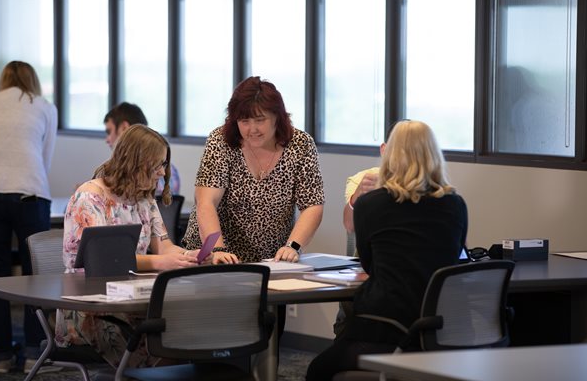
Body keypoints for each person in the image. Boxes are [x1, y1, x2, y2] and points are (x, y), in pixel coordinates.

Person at [306, 120, 468, 381]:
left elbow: (370, 265)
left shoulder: (371, 204)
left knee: (318, 370)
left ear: (390, 154)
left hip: (386, 330)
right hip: (441, 330)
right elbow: (455, 254)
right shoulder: (455, 203)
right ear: (434, 154)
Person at [181, 75, 325, 334]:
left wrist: (293, 246)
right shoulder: (221, 142)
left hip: (270, 261)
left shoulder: (300, 145)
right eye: (244, 121)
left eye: (260, 119)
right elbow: (205, 203)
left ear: (277, 117)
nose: (252, 129)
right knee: (217, 339)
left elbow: (312, 204)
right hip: (219, 255)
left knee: (267, 335)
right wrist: (218, 249)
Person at [56, 124, 206, 368]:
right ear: (134, 162)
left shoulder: (143, 196)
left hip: (131, 298)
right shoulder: (90, 198)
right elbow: (104, 263)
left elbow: (164, 247)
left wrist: (192, 256)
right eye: (157, 165)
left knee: (187, 335)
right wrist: (160, 262)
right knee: (165, 348)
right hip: (90, 306)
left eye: (164, 165)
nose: (161, 172)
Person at [0, 60, 58, 374]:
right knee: (36, 276)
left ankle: (0, 356)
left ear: (3, 80)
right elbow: (45, 158)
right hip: (31, 193)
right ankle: (33, 353)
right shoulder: (45, 106)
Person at [333, 143, 385, 339]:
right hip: (367, 272)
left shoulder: (435, 190)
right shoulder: (368, 178)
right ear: (384, 149)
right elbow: (350, 225)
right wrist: (358, 197)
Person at [103, 102, 181, 195]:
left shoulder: (131, 173)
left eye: (109, 132)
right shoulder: (172, 171)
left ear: (124, 128)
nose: (107, 139)